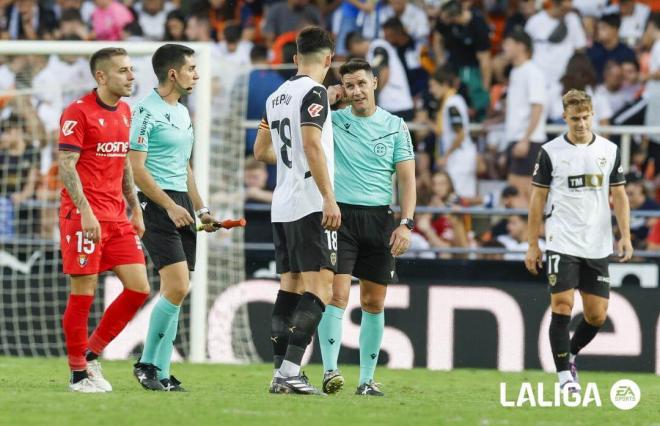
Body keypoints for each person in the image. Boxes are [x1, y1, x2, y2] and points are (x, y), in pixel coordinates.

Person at [316, 58, 415, 397]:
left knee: (373, 302)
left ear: (374, 82)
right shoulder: (332, 121)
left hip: (379, 219)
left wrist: (406, 224)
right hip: (339, 217)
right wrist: (325, 101)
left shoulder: (396, 125)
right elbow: (307, 129)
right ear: (342, 89)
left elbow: (407, 180)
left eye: (361, 83)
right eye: (349, 86)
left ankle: (366, 381)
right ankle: (330, 371)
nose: (355, 91)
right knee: (336, 294)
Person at [525, 89, 632, 392]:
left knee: (596, 315)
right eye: (575, 119)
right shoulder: (550, 151)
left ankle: (569, 353)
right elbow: (537, 200)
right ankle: (564, 380)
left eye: (585, 117)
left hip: (597, 242)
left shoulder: (609, 150)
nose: (581, 124)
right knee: (561, 305)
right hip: (562, 239)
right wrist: (533, 243)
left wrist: (625, 235)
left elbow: (619, 195)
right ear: (565, 118)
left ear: (592, 115)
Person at [253, 26, 340, 395]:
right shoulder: (315, 91)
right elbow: (312, 144)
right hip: (309, 201)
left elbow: (261, 151)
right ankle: (289, 371)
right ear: (329, 59)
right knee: (323, 287)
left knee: (290, 286)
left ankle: (280, 374)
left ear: (294, 59)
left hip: (282, 202)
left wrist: (291, 163)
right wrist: (329, 197)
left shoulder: (276, 96)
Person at [58, 47, 150, 393]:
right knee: (83, 293)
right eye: (123, 71)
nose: (131, 77)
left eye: (131, 70)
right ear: (101, 77)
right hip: (83, 217)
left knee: (139, 287)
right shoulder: (77, 112)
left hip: (117, 217)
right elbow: (67, 167)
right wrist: (85, 212)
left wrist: (135, 207)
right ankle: (78, 374)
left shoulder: (125, 111)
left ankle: (91, 352)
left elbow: (123, 161)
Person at [129, 44, 219, 392]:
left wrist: (201, 208)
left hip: (180, 202)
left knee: (175, 290)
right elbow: (136, 169)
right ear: (173, 73)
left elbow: (185, 167)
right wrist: (168, 205)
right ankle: (147, 363)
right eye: (191, 69)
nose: (196, 75)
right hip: (155, 202)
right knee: (179, 285)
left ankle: (162, 371)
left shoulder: (182, 112)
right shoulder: (144, 112)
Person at [502, 29, 547, 201]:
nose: (504, 48)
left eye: (508, 43)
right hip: (517, 138)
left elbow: (537, 107)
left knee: (522, 194)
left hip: (529, 140)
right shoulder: (515, 72)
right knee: (515, 194)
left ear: (521, 46)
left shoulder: (532, 72)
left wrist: (526, 139)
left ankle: (534, 228)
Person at [428, 67, 477, 198]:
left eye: (433, 86)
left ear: (444, 84)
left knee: (460, 199)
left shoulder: (451, 105)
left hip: (459, 159)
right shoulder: (453, 101)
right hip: (457, 157)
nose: (431, 90)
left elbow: (460, 134)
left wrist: (445, 156)